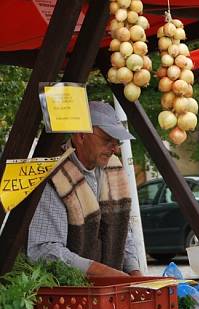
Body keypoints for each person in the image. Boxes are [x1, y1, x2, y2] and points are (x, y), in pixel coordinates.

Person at [28, 101, 141, 277]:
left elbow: (123, 231)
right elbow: (43, 250)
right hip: (67, 295)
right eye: (107, 140)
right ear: (81, 136)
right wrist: (100, 271)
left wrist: (135, 274)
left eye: (117, 142)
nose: (115, 149)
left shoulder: (113, 169)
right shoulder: (54, 175)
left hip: (108, 293)